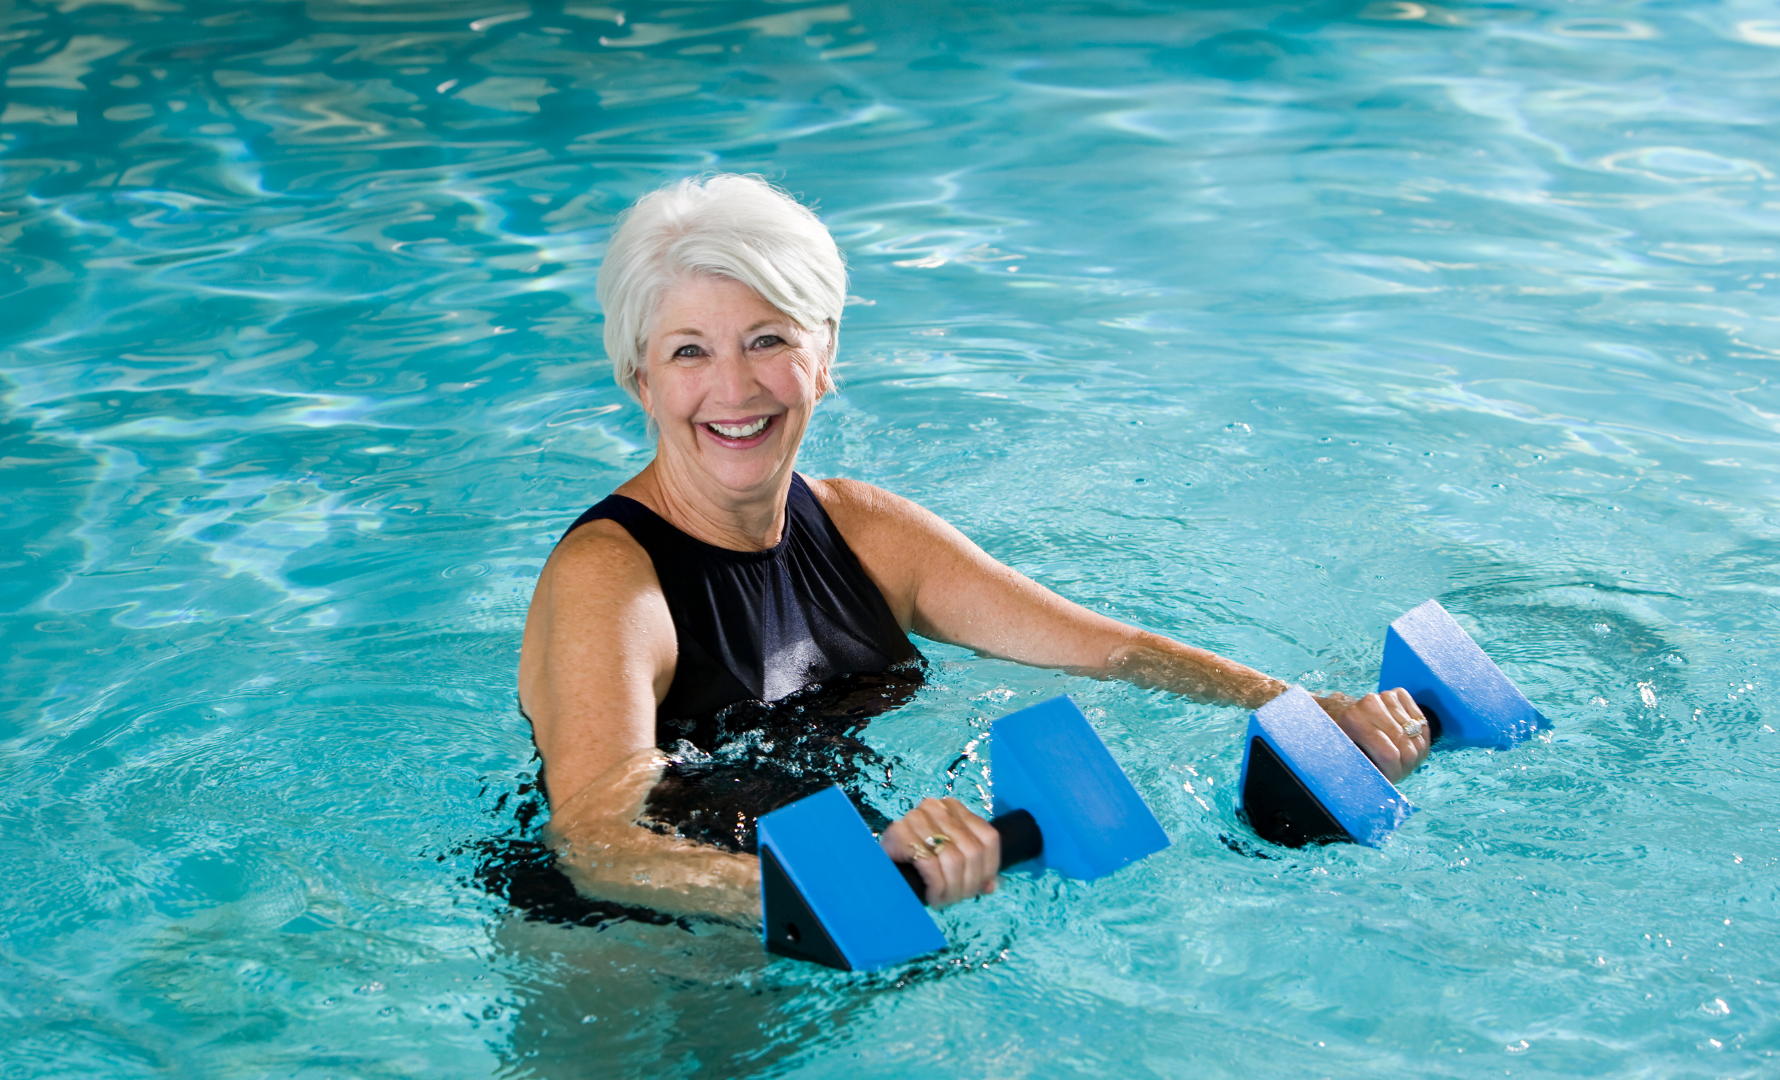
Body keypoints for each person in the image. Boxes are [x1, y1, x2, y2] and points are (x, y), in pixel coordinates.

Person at [516, 174, 1430, 926]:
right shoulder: (612, 578)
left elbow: (1106, 648)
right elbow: (597, 847)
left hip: (851, 908)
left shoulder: (865, 532)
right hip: (628, 943)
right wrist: (827, 891)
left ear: (824, 354)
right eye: (687, 352)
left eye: (768, 341)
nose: (733, 387)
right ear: (639, 377)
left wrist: (1309, 713)